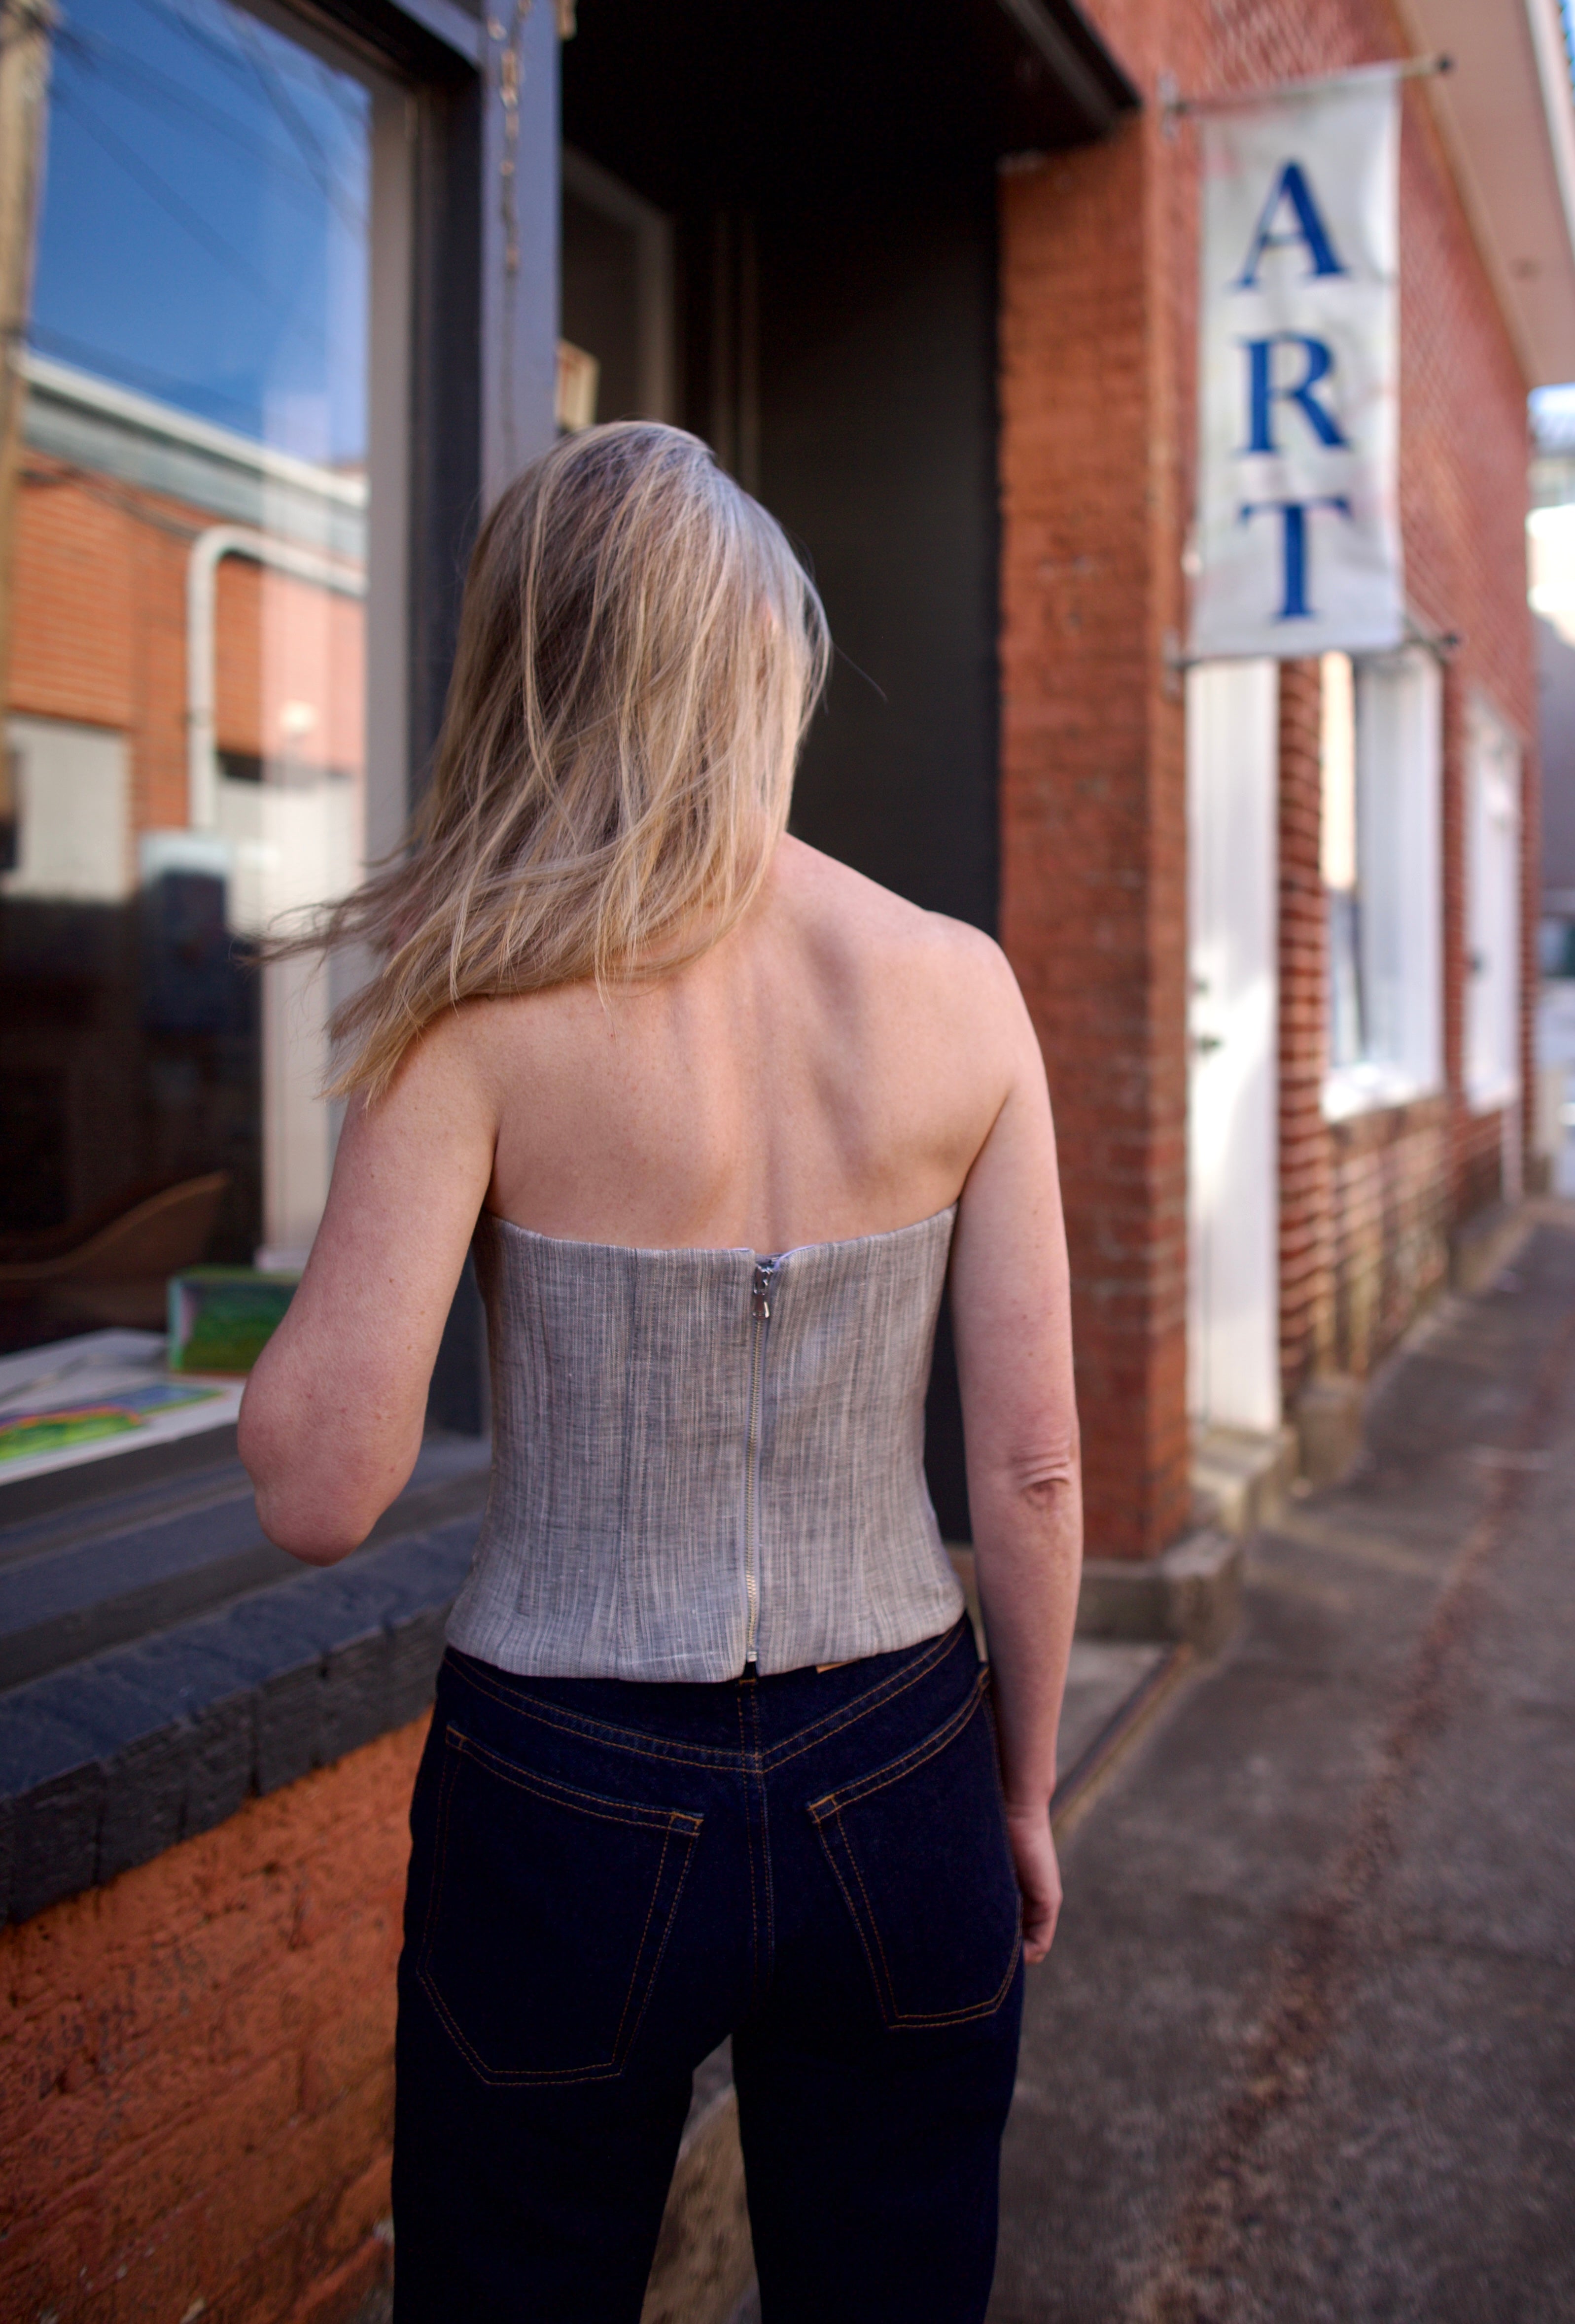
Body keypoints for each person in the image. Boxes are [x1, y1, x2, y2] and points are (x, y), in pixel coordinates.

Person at [239, 421, 1082, 2324]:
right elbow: (1030, 1468)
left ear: (534, 667)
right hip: (901, 1765)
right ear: (760, 666)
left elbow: (315, 1484)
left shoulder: (474, 1003)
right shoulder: (959, 984)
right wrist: (1019, 1789)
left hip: (565, 1792)